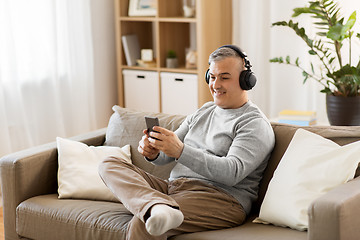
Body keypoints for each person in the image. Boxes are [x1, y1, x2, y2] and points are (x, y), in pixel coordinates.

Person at [98, 45, 275, 240]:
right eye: (212, 77)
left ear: (246, 81)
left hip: (220, 198)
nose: (216, 85)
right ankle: (156, 207)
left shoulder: (254, 123)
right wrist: (154, 152)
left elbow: (231, 173)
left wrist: (181, 151)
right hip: (175, 188)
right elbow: (167, 154)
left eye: (224, 77)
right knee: (109, 164)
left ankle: (156, 209)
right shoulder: (204, 111)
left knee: (145, 224)